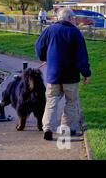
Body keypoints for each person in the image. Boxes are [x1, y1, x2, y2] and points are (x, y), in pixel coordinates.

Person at [35, 8, 91, 141]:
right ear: (70, 18)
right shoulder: (75, 32)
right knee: (71, 102)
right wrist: (86, 73)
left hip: (53, 74)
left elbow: (39, 46)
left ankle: (47, 127)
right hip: (70, 75)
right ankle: (65, 129)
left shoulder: (49, 30)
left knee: (51, 100)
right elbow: (82, 57)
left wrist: (44, 57)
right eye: (74, 18)